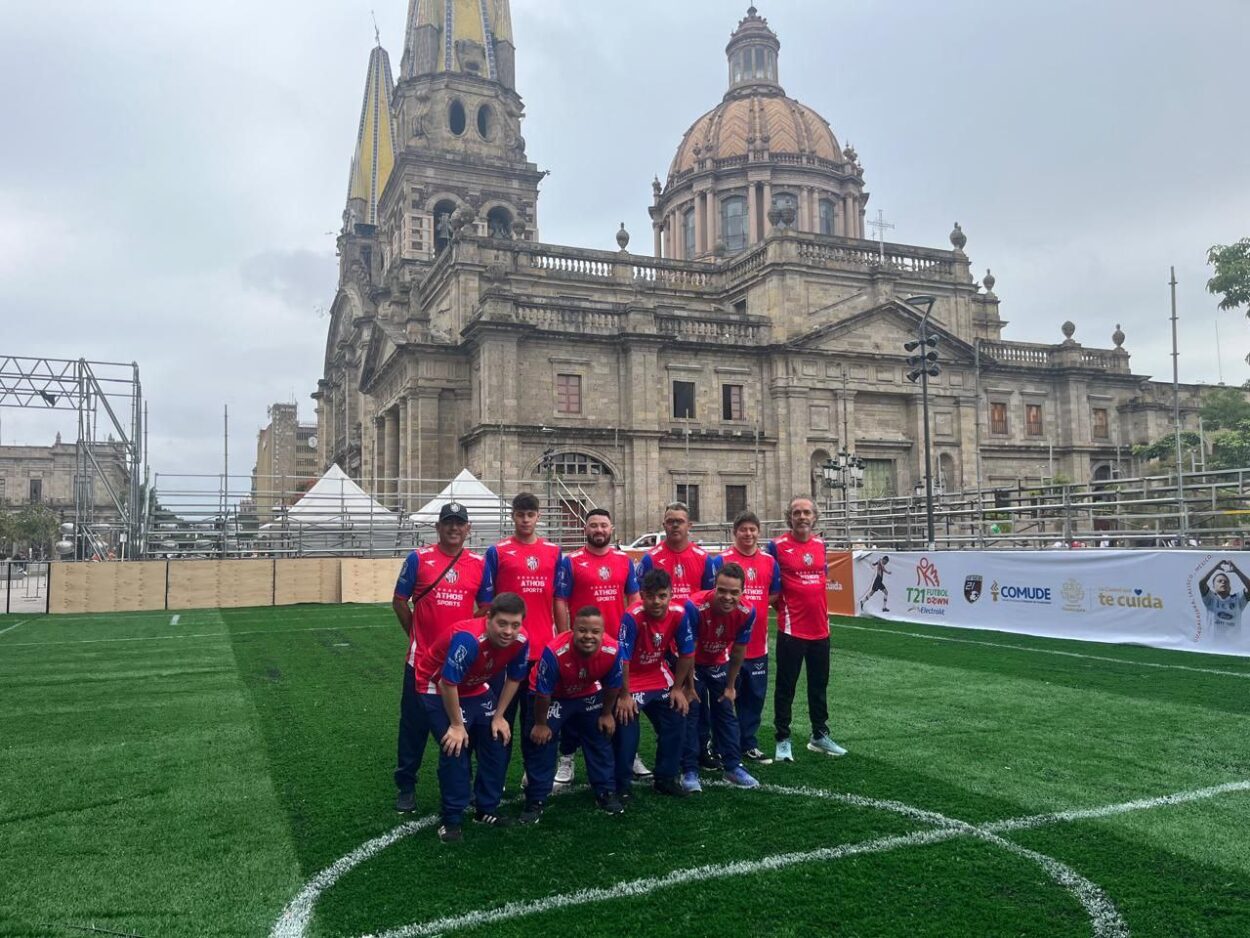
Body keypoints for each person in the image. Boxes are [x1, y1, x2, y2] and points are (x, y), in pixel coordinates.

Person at [390, 501, 489, 813]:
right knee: (413, 727)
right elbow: (399, 602)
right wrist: (416, 637)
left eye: (460, 523)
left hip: (458, 666)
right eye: (448, 522)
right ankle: (406, 785)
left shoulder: (478, 563)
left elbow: (486, 607)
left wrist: (466, 637)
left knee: (462, 725)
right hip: (420, 663)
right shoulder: (419, 559)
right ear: (438, 526)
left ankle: (463, 783)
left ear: (468, 528)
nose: (454, 528)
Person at [416, 593, 530, 842]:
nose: (508, 631)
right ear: (488, 618)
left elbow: (515, 678)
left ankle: (485, 809)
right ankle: (451, 819)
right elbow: (448, 683)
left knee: (497, 739)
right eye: (502, 623)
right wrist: (457, 725)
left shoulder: (522, 640)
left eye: (515, 624)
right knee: (455, 745)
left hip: (476, 686)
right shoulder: (468, 640)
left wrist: (499, 716)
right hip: (437, 685)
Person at [552, 508, 640, 784]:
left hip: (615, 645)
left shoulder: (624, 561)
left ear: (611, 528)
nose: (599, 530)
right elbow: (561, 600)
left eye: (603, 525)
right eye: (593, 526)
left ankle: (628, 754)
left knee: (618, 696)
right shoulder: (572, 561)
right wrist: (566, 635)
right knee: (574, 700)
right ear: (585, 530)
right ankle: (567, 757)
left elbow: (633, 597)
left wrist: (631, 635)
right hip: (582, 645)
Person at [521, 606, 626, 821]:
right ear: (572, 629)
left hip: (586, 692)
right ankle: (536, 799)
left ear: (603, 632)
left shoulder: (613, 650)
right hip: (552, 697)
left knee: (599, 737)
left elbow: (613, 686)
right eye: (582, 630)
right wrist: (541, 724)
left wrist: (606, 713)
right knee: (541, 742)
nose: (588, 636)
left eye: (595, 631)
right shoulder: (554, 652)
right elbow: (543, 694)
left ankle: (605, 792)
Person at [481, 492, 562, 763]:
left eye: (530, 514)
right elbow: (486, 602)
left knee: (536, 717)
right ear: (513, 516)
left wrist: (560, 640)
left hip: (540, 650)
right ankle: (496, 777)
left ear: (538, 516)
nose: (525, 520)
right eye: (520, 514)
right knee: (500, 716)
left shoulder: (553, 552)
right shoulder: (498, 551)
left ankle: (533, 774)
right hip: (505, 650)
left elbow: (559, 599)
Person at [767, 496, 846, 762]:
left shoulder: (821, 545)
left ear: (815, 517)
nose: (802, 517)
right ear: (789, 517)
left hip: (821, 630)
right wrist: (788, 615)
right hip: (792, 631)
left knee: (818, 686)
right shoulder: (776, 546)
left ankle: (819, 735)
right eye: (797, 513)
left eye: (807, 512)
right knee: (786, 687)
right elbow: (772, 591)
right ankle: (783, 739)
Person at [614, 569, 696, 801]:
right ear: (641, 595)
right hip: (632, 679)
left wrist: (679, 689)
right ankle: (622, 786)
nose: (656, 601)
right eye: (650, 596)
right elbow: (623, 658)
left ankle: (665, 779)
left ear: (671, 594)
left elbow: (687, 653)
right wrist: (625, 694)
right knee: (627, 725)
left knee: (677, 715)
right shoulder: (632, 616)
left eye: (662, 595)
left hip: (658, 674)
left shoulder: (679, 614)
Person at [709, 510, 781, 765]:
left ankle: (748, 743)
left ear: (758, 532)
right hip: (727, 646)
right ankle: (719, 745)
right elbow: (712, 596)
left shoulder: (770, 562)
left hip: (758, 644)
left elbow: (773, 595)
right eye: (743, 529)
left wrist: (754, 609)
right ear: (734, 532)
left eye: (753, 529)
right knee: (725, 698)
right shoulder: (721, 561)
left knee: (754, 698)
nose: (748, 534)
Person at [683, 564, 759, 792]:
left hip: (717, 661)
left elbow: (738, 651)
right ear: (714, 587)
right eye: (722, 590)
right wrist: (687, 686)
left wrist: (730, 686)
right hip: (690, 661)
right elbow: (688, 651)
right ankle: (689, 770)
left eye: (734, 592)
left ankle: (732, 766)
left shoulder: (748, 611)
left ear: (743, 592)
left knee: (726, 709)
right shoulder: (694, 606)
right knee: (692, 710)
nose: (727, 597)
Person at [636, 502, 716, 602]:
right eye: (670, 521)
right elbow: (640, 598)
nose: (675, 525)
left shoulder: (704, 559)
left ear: (689, 526)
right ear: (664, 525)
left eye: (680, 521)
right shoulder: (650, 559)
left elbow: (710, 598)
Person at [1199, 560, 1250, 636]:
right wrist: (1215, 568)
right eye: (1219, 581)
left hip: (1233, 645)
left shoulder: (1238, 599)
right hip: (1212, 646)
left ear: (1230, 587)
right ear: (1213, 587)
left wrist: (1237, 571)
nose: (1223, 583)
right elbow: (1201, 583)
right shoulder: (1210, 599)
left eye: (1226, 582)